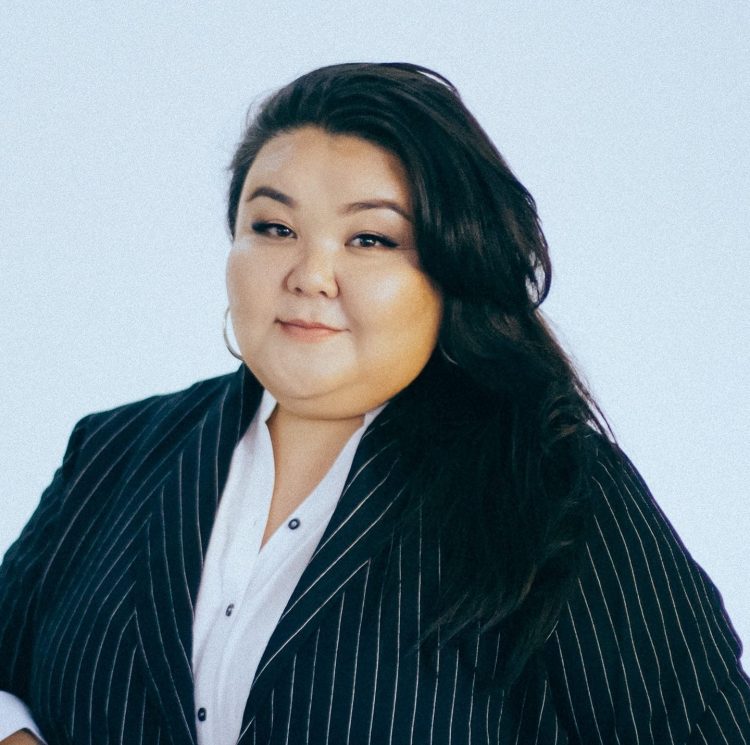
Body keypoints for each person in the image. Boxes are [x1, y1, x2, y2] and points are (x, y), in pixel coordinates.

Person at [1, 62, 748, 745]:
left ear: (453, 270)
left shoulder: (552, 484)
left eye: (370, 239)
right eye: (274, 227)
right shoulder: (112, 451)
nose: (309, 274)